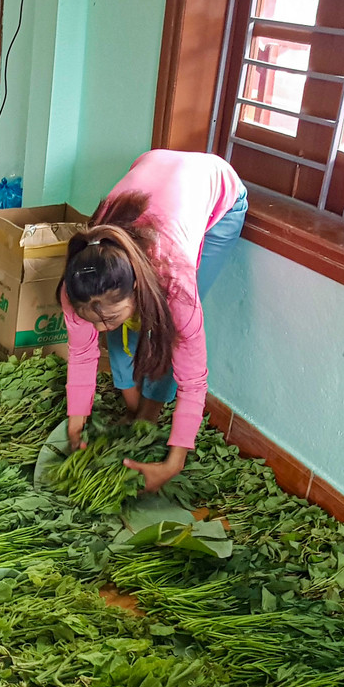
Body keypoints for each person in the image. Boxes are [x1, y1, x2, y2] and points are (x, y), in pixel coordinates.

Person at [57, 149, 248, 492]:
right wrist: (76, 420)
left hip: (218, 195)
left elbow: (193, 379)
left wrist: (173, 463)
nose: (100, 329)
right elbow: (83, 353)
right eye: (92, 320)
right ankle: (135, 408)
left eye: (108, 318)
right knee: (122, 324)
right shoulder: (80, 283)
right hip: (153, 166)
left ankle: (150, 412)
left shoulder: (176, 282)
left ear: (135, 287)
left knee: (166, 325)